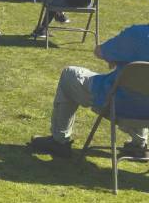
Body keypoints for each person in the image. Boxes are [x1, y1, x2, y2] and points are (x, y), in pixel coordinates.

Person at [30, 22, 149, 159]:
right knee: (141, 90)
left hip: (117, 104)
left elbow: (99, 51)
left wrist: (115, 57)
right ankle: (138, 145)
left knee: (69, 74)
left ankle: (59, 140)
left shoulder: (137, 34)